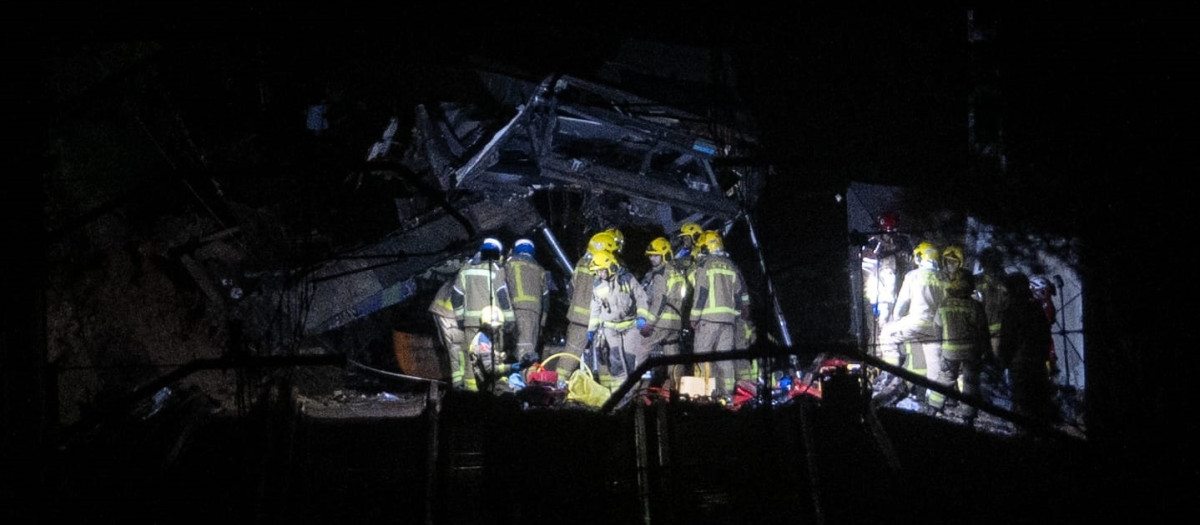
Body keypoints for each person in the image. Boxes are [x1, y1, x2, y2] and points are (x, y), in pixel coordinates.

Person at [881, 240, 945, 408]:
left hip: (915, 323)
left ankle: (890, 373)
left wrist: (896, 321)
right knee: (934, 368)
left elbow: (900, 308)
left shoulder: (913, 276)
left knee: (887, 334)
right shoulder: (944, 278)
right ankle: (933, 404)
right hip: (936, 329)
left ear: (919, 256)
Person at [688, 230, 751, 399]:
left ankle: (703, 396)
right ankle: (728, 396)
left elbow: (701, 292)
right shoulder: (731, 265)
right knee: (725, 360)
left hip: (708, 320)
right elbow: (739, 294)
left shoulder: (705, 264)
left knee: (702, 358)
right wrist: (736, 314)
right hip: (728, 321)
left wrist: (694, 317)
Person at [450, 237, 517, 392]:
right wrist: (510, 320)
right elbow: (503, 297)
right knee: (493, 358)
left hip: (471, 323)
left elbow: (456, 296)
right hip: (492, 324)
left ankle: (471, 395)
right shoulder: (495, 271)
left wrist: (461, 318)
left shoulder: (466, 270)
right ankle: (491, 393)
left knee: (470, 360)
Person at [998, 272, 1059, 432]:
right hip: (1037, 364)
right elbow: (1046, 335)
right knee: (1038, 402)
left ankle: (1024, 435)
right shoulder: (1036, 307)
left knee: (1022, 402)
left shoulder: (1012, 310)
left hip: (1020, 365)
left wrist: (1002, 361)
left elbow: (1007, 340)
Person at [558, 231, 618, 382]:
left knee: (570, 354)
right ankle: (608, 392)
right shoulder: (605, 266)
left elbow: (571, 287)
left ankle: (555, 386)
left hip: (577, 318)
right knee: (604, 356)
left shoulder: (581, 263)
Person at [587, 250, 651, 390]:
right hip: (610, 328)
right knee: (615, 361)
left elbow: (641, 298)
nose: (600, 274)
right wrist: (591, 330)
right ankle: (618, 394)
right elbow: (595, 308)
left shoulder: (627, 279)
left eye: (602, 271)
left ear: (612, 267)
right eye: (597, 271)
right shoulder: (598, 285)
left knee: (630, 359)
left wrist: (641, 317)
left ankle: (633, 392)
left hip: (630, 327)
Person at [931, 269, 989, 422]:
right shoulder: (975, 306)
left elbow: (937, 326)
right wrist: (985, 350)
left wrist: (941, 344)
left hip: (949, 352)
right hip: (971, 351)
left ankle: (933, 409)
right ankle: (968, 417)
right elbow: (982, 330)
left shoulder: (944, 304)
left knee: (945, 378)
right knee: (970, 382)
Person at [860, 212, 913, 360]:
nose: (890, 236)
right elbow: (866, 271)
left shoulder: (903, 243)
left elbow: (909, 267)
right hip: (875, 297)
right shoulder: (872, 244)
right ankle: (874, 364)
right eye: (887, 232)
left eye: (893, 232)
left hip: (897, 297)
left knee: (894, 334)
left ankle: (894, 366)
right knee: (877, 334)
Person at [639, 237, 689, 389]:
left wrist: (649, 323)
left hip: (661, 322)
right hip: (675, 323)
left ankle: (634, 388)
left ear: (665, 254)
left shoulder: (660, 274)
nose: (652, 259)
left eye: (655, 255)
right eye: (651, 255)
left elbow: (659, 301)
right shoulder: (677, 273)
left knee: (640, 350)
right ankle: (674, 389)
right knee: (673, 357)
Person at [505, 238, 549, 370]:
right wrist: (543, 320)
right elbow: (546, 297)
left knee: (521, 352)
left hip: (514, 309)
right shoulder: (540, 269)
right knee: (529, 348)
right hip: (535, 313)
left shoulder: (509, 263)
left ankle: (526, 384)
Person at [428, 278, 466, 388]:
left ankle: (460, 380)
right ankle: (460, 384)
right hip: (449, 313)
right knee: (457, 348)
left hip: (447, 310)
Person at [1029, 275, 1060, 378]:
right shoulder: (1034, 305)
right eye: (1045, 292)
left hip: (1045, 345)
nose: (1047, 295)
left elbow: (1051, 319)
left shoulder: (1045, 303)